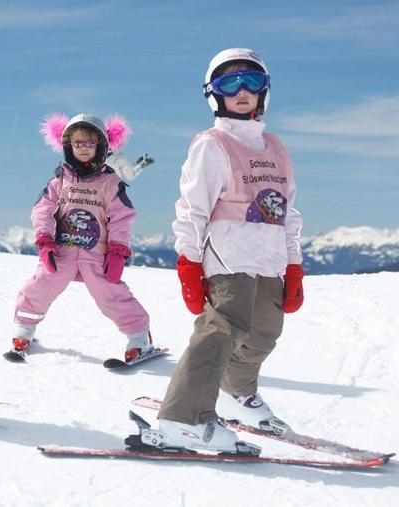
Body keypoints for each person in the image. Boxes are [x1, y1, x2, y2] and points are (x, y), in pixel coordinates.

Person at [152, 48, 304, 453]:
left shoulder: (275, 147)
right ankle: (181, 419)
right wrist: (189, 262)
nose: (241, 91)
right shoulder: (213, 144)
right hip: (229, 258)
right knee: (219, 335)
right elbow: (193, 208)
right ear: (214, 93)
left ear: (264, 91)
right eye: (229, 82)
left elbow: (288, 211)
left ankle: (236, 392)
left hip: (270, 259)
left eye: (252, 81)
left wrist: (293, 264)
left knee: (264, 332)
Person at [9, 113, 152, 362]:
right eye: (78, 143)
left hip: (96, 254)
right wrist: (44, 240)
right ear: (68, 146)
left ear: (101, 145)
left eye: (90, 142)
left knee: (111, 294)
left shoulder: (111, 183)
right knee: (41, 285)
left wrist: (118, 251)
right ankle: (24, 328)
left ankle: (139, 337)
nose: (83, 148)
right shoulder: (59, 180)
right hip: (61, 252)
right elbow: (42, 209)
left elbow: (121, 218)